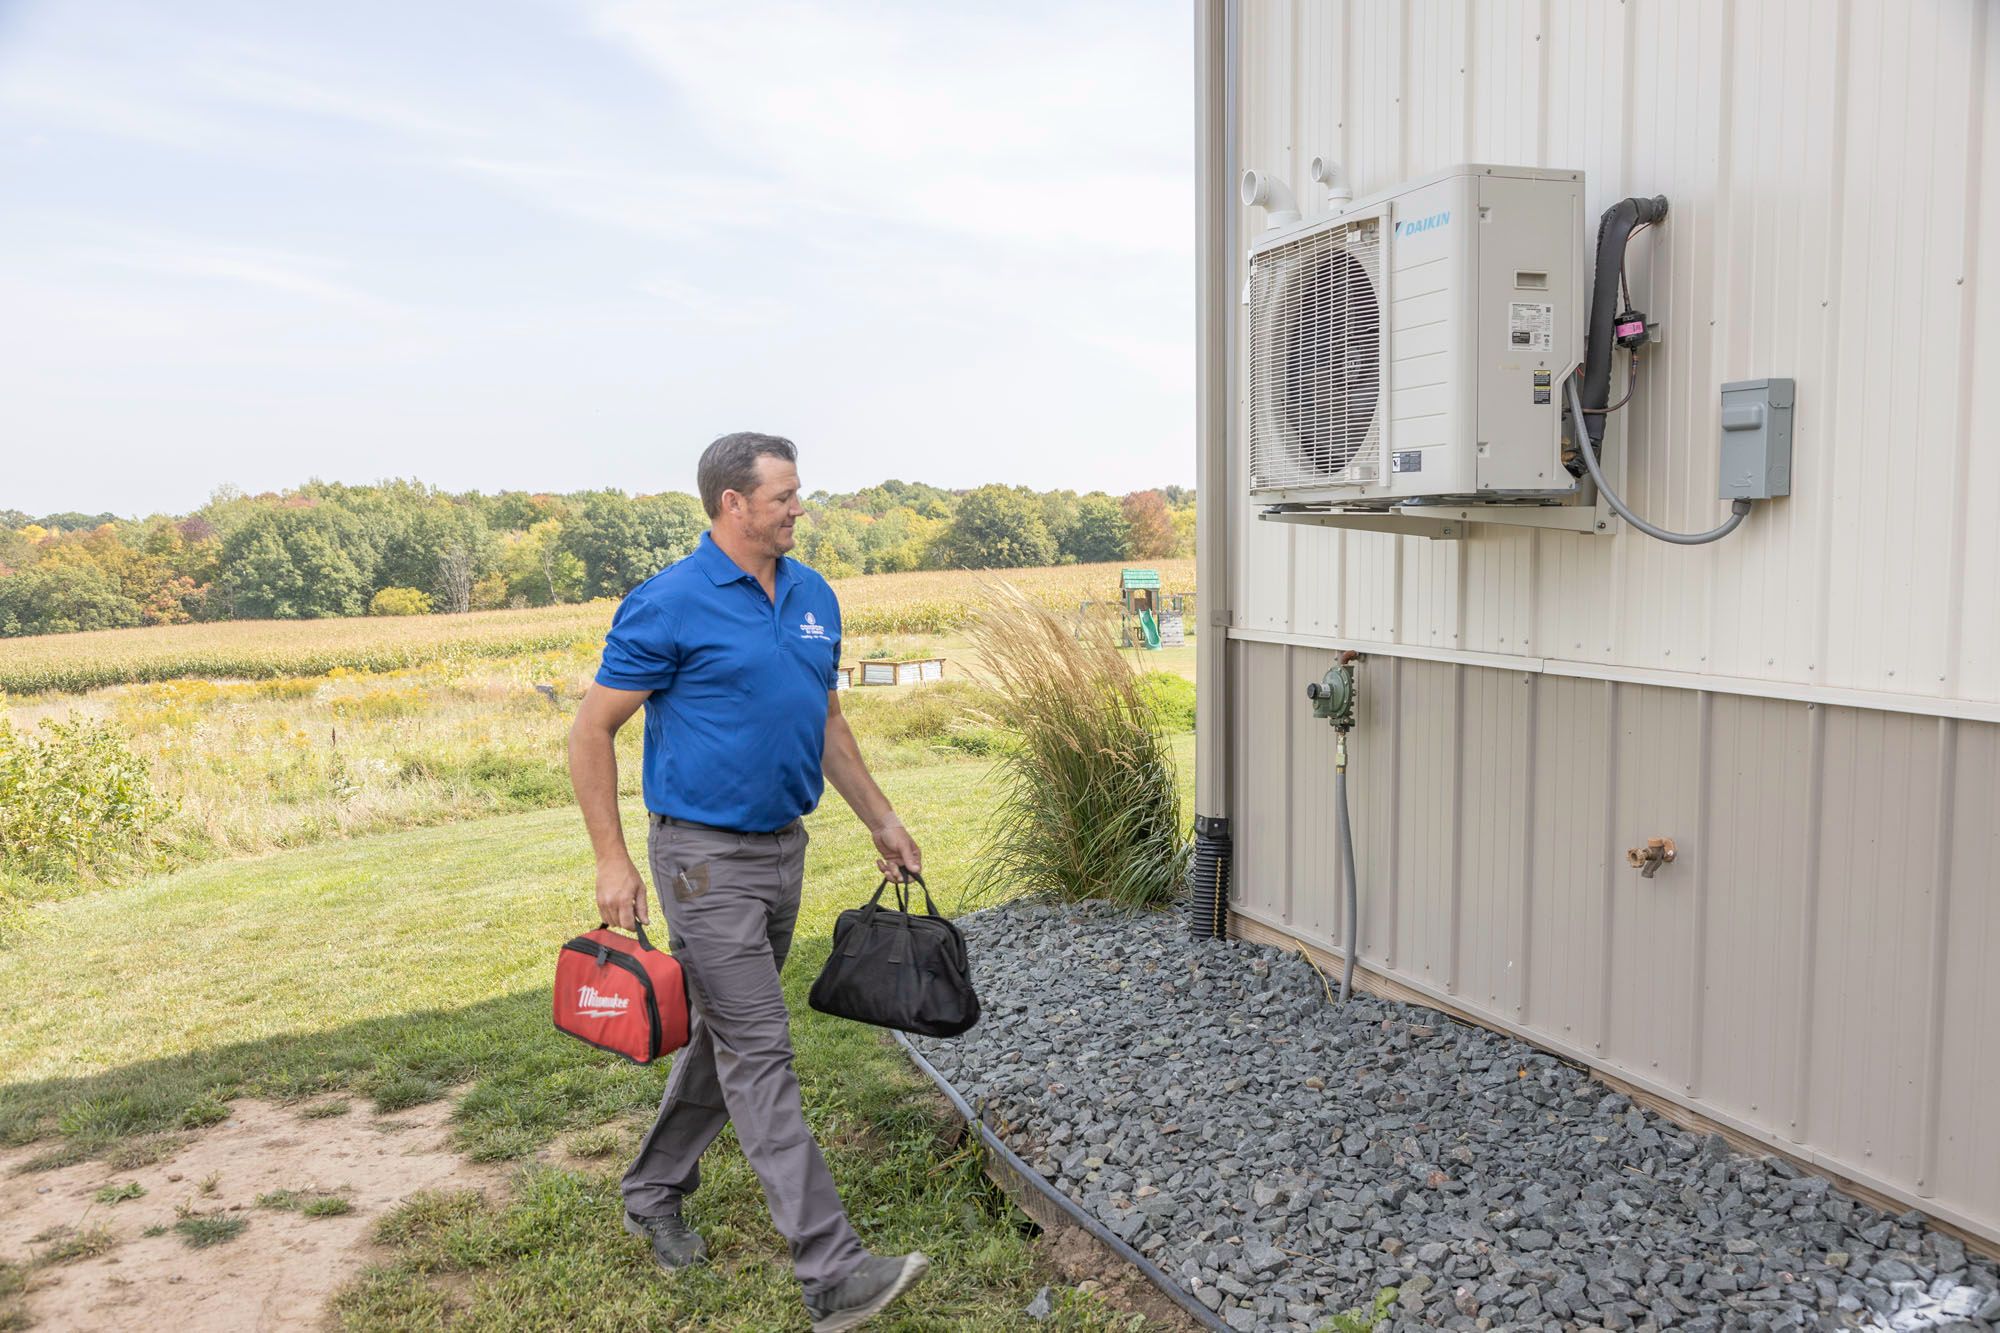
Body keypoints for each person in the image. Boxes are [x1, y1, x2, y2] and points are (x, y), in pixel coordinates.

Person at [567, 432, 929, 1332]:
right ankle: (831, 1270)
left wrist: (881, 818)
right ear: (733, 503)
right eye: (784, 495)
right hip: (701, 861)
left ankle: (652, 1188)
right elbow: (590, 730)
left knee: (726, 1035)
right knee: (760, 1047)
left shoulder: (813, 596)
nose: (800, 507)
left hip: (781, 850)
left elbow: (827, 722)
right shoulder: (668, 602)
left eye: (798, 493)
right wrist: (612, 858)